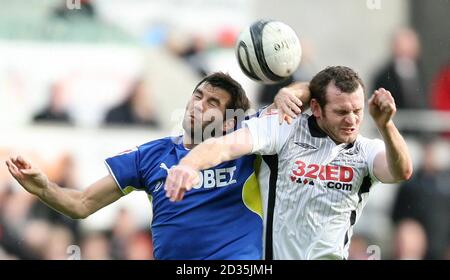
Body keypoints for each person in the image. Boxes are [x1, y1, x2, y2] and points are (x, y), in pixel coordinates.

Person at [6, 72, 309, 260]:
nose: (198, 105)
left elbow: (313, 88)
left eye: (213, 103)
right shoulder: (149, 156)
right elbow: (82, 204)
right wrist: (44, 187)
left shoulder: (247, 143)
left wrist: (286, 92)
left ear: (230, 121)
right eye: (198, 96)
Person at [165, 66, 413, 260]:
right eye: (341, 112)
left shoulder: (366, 150)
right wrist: (189, 165)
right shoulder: (283, 129)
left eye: (357, 111)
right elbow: (224, 146)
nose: (351, 120)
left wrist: (385, 125)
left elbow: (402, 171)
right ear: (316, 108)